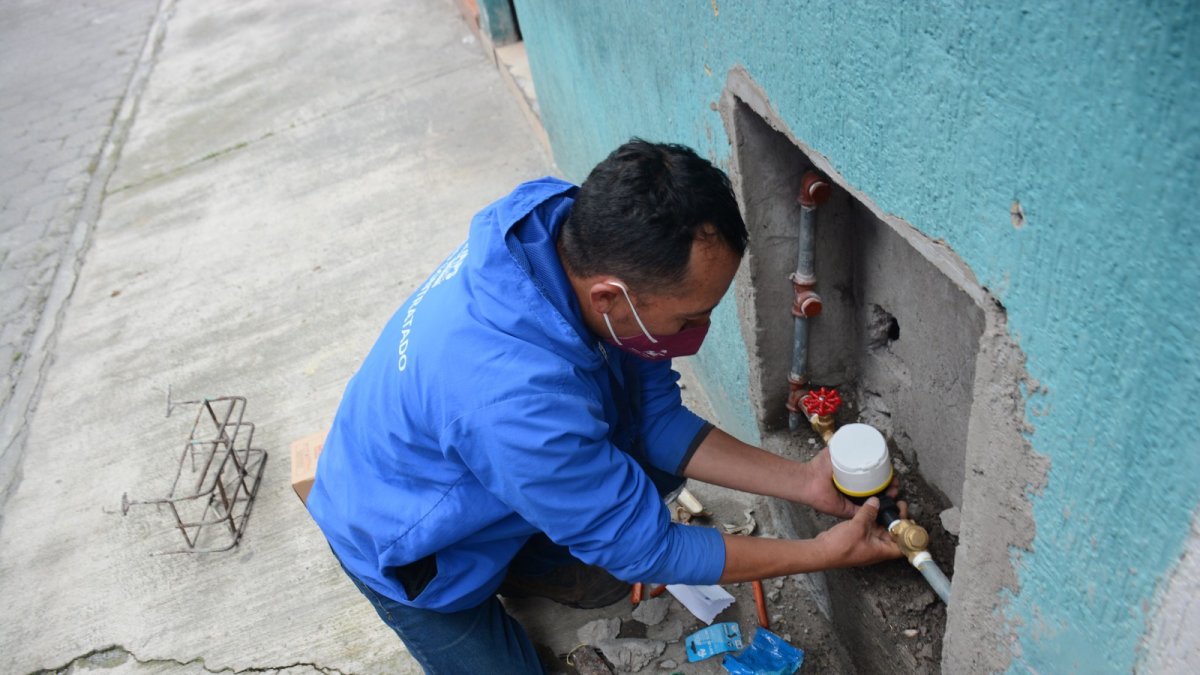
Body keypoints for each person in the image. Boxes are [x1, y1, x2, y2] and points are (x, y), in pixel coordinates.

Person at [307, 139, 902, 673]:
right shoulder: (519, 403)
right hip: (408, 544)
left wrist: (803, 481)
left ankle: (532, 555)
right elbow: (651, 549)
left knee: (629, 491)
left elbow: (657, 422)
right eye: (688, 318)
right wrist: (820, 553)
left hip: (477, 460)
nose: (699, 330)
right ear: (610, 297)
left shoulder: (562, 226)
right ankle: (503, 570)